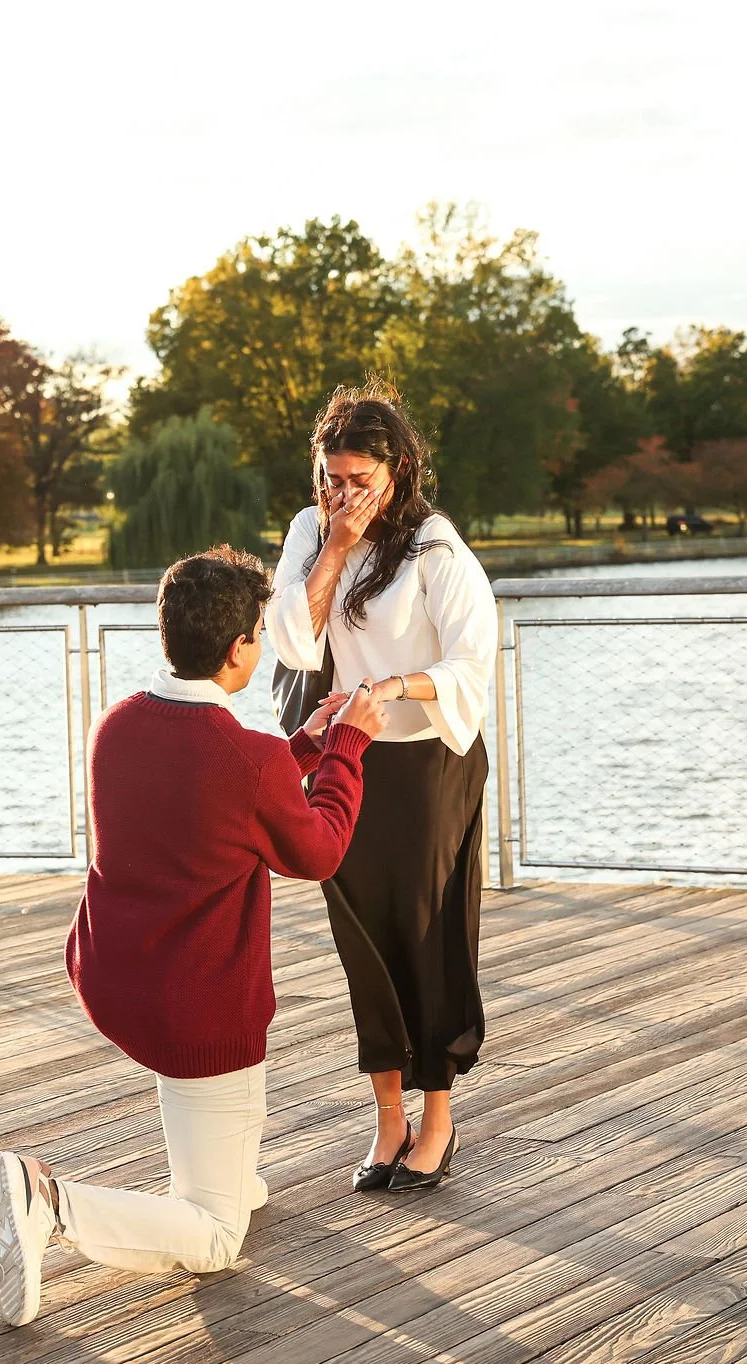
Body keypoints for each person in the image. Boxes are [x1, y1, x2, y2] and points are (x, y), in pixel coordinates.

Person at [0, 546, 388, 1328]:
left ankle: (219, 1174)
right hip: (196, 1011)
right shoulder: (246, 760)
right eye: (260, 634)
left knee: (227, 1165)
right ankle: (50, 1199)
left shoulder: (117, 725)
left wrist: (297, 748)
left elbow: (208, 797)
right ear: (238, 650)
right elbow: (319, 848)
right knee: (213, 1233)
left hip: (120, 980)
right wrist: (347, 748)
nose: (262, 645)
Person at [264, 380, 498, 1194]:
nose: (344, 493)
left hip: (427, 760)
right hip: (348, 759)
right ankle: (387, 1117)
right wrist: (332, 545)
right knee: (361, 937)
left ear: (396, 468)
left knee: (424, 935)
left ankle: (438, 1117)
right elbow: (293, 640)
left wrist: (392, 690)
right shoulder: (310, 529)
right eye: (332, 477)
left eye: (360, 479)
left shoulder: (435, 546)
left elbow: (471, 666)